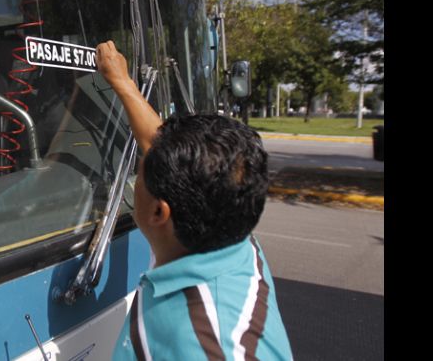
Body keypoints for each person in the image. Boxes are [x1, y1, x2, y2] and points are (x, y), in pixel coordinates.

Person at [95, 41, 292, 360]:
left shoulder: (206, 347)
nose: (134, 182)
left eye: (138, 177)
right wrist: (121, 81)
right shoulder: (234, 239)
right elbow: (161, 146)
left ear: (160, 211)